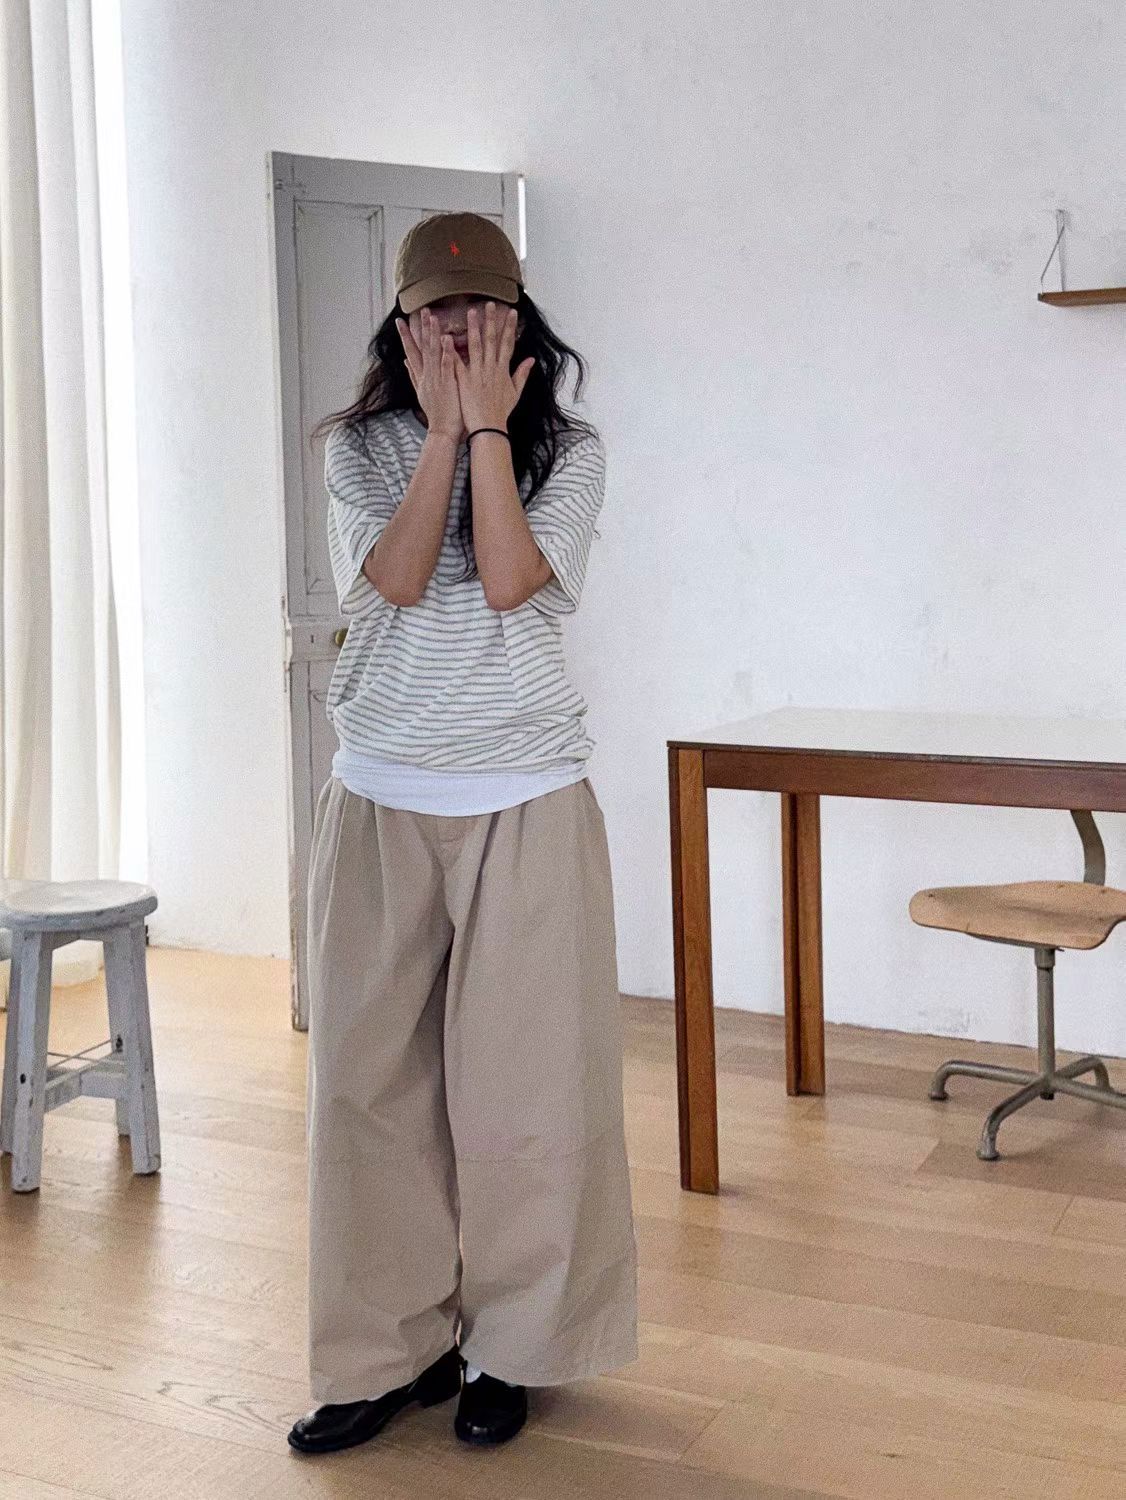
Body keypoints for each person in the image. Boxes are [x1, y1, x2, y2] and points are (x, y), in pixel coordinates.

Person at [287, 212, 638, 1457]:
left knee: (529, 1098)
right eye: (437, 309)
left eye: (481, 306)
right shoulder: (355, 449)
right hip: (380, 797)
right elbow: (390, 580)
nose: (459, 325)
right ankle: (384, 1351)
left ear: (517, 318)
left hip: (524, 798)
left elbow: (504, 580)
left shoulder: (571, 453)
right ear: (401, 323)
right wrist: (440, 433)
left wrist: (489, 430)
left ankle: (512, 1348)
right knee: (365, 1092)